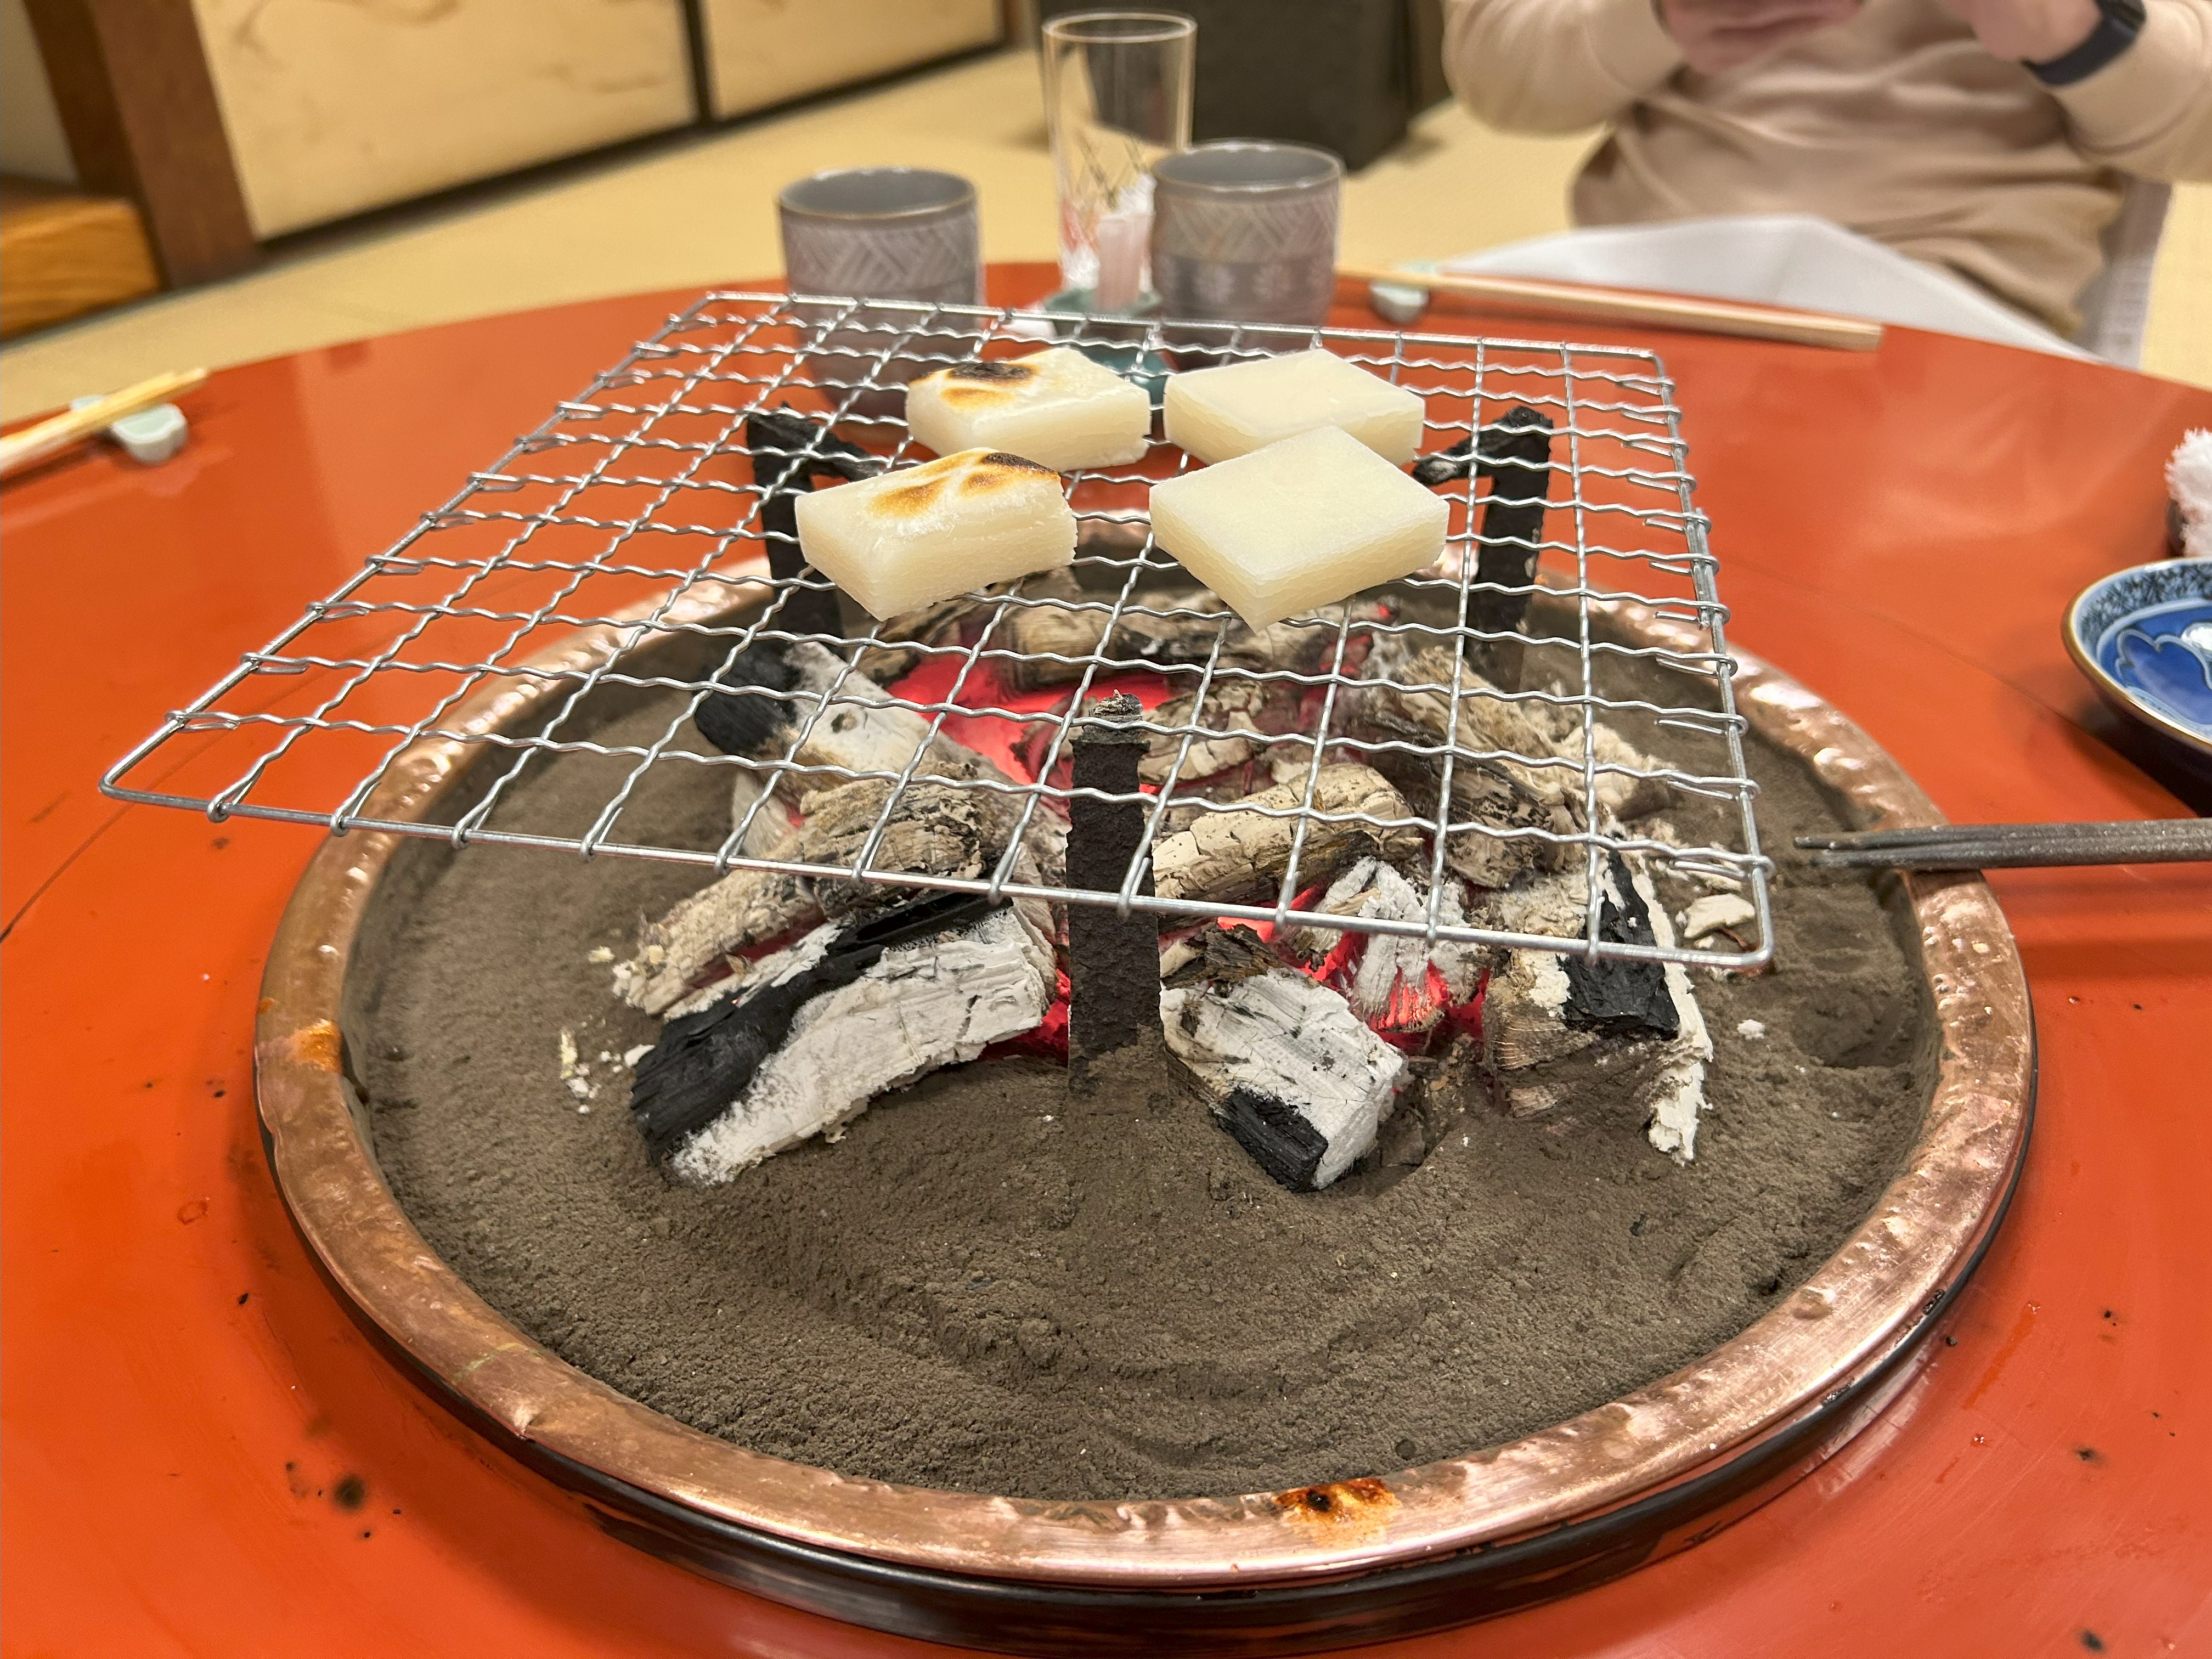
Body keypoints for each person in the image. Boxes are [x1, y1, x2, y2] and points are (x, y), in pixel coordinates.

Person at [1442, 0, 2212, 337]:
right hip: (1657, 277)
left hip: (1961, 302)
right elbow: (1495, 67)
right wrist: (1655, 17)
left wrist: (2079, 28)